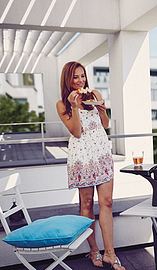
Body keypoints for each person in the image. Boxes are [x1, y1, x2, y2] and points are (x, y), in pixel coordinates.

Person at [56, 61, 125, 270]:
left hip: (101, 153)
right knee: (86, 205)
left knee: (108, 202)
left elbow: (105, 124)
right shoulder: (62, 104)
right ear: (67, 80)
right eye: (75, 77)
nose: (80, 81)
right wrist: (75, 107)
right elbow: (76, 132)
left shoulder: (93, 94)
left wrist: (103, 108)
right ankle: (94, 250)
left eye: (82, 76)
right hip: (82, 157)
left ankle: (110, 254)